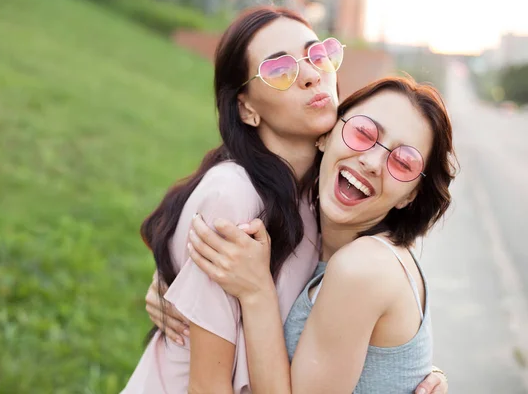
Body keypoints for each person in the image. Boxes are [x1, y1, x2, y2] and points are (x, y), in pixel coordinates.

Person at [129, 5, 448, 394]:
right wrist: (172, 277)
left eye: (318, 56)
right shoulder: (233, 196)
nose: (312, 75)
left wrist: (402, 372)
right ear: (246, 108)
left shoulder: (318, 204)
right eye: (280, 70)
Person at [185, 76, 457, 393]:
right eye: (363, 133)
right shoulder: (318, 240)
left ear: (410, 194)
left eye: (403, 162)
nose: (371, 162)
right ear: (327, 135)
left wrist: (256, 293)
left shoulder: (362, 268)